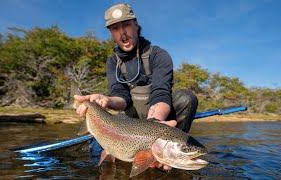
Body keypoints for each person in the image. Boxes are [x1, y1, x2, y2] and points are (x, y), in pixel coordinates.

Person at [74, 3, 198, 170]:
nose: (122, 32)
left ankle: (174, 152)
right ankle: (118, 148)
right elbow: (121, 97)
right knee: (114, 150)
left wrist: (157, 128)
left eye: (126, 25)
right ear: (111, 33)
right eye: (115, 28)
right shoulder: (113, 62)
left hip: (158, 116)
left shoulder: (158, 55)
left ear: (136, 25)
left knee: (186, 98)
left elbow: (161, 93)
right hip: (130, 119)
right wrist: (106, 100)